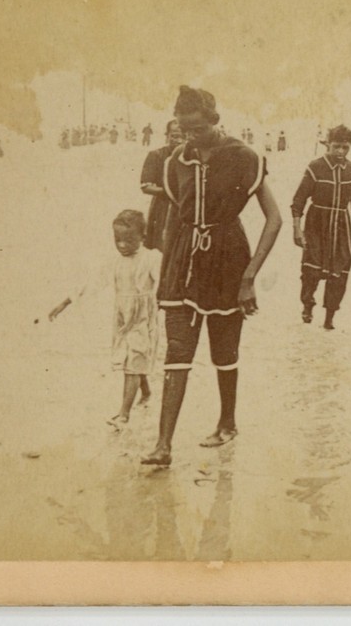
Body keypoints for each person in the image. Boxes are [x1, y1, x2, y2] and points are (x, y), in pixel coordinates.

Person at [143, 86, 283, 467]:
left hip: (227, 258)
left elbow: (275, 219)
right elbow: (175, 214)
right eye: (183, 130)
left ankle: (227, 422)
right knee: (177, 352)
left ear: (216, 122)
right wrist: (164, 266)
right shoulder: (176, 161)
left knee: (224, 352)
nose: (190, 137)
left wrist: (250, 276)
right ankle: (163, 445)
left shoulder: (243, 157)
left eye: (198, 129)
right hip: (184, 261)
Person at [46, 210, 158, 426]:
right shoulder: (114, 262)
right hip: (123, 317)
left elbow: (166, 283)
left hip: (144, 317)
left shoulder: (152, 258)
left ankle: (124, 414)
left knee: (134, 358)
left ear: (143, 236)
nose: (122, 245)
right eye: (118, 240)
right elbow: (91, 284)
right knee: (130, 357)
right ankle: (146, 392)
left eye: (129, 240)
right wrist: (64, 303)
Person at [292, 125, 351, 330]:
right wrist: (297, 228)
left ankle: (329, 318)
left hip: (341, 226)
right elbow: (299, 200)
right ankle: (307, 305)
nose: (340, 152)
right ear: (328, 144)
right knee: (311, 270)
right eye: (336, 147)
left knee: (340, 271)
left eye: (345, 147)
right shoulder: (315, 167)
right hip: (316, 223)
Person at [140, 121, 185, 252]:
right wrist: (170, 192)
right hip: (163, 207)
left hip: (186, 207)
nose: (179, 140)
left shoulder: (192, 156)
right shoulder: (157, 155)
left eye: (183, 136)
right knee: (162, 247)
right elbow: (145, 186)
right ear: (167, 136)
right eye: (175, 136)